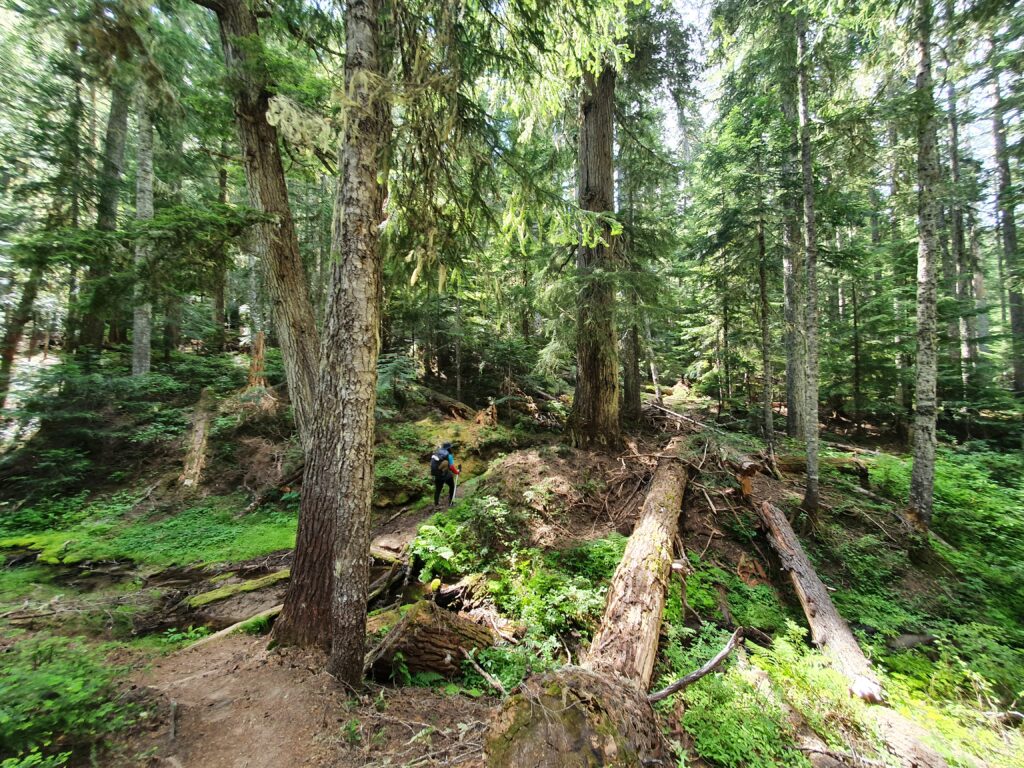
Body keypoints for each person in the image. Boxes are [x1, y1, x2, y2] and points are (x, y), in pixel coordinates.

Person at [430, 441, 460, 507]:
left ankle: (436, 504)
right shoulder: (448, 455)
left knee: (438, 490)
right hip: (446, 475)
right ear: (449, 448)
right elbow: (451, 467)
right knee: (452, 486)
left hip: (437, 474)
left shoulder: (438, 452)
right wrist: (457, 472)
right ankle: (451, 502)